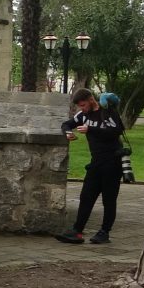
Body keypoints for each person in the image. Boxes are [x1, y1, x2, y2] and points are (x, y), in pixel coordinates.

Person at [56, 88, 125, 245]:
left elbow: (116, 131)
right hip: (96, 163)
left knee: (109, 199)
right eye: (80, 106)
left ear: (91, 100)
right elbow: (66, 124)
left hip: (113, 163)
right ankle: (77, 231)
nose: (82, 109)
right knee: (86, 196)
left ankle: (104, 232)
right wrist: (67, 133)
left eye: (83, 105)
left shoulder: (106, 112)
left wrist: (91, 129)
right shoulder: (83, 115)